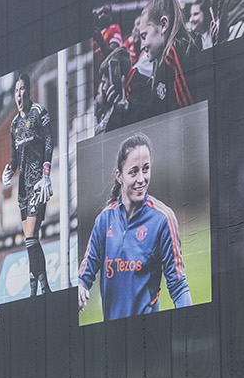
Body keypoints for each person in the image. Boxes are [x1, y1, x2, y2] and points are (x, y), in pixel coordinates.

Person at [77, 133, 192, 319]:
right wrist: (80, 286)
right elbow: (85, 273)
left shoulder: (163, 219)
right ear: (119, 176)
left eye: (146, 169)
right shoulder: (104, 220)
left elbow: (178, 285)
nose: (141, 179)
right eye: (133, 171)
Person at [3, 73, 55, 296]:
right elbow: (15, 158)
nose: (19, 94)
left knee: (31, 236)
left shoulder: (39, 113)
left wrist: (46, 174)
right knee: (29, 241)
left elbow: (49, 143)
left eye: (22, 89)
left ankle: (42, 288)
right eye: (16, 91)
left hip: (37, 184)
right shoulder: (14, 125)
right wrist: (9, 169)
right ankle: (37, 287)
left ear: (29, 90)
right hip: (23, 188)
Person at [122, 0, 194, 125]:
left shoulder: (174, 55)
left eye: (144, 36)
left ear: (163, 25)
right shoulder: (165, 59)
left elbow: (190, 111)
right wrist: (126, 106)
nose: (141, 46)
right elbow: (157, 108)